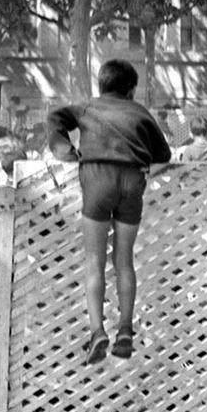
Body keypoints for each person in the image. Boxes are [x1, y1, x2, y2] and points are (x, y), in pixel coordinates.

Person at [47, 60, 171, 364]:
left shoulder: (88, 107)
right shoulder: (140, 111)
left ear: (100, 86)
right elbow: (164, 155)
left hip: (97, 179)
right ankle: (126, 329)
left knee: (94, 261)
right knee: (124, 259)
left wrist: (67, 153)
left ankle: (97, 330)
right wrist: (146, 171)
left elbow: (54, 117)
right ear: (131, 90)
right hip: (132, 181)